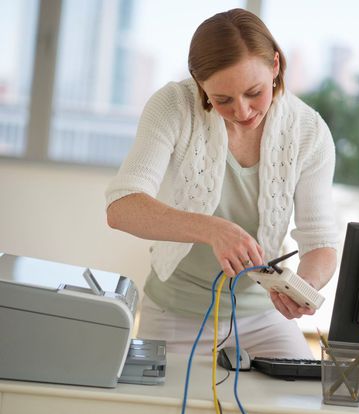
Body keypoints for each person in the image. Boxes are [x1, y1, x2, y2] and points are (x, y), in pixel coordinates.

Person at [105, 8, 338, 359]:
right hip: (176, 311)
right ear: (200, 84)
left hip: (263, 316)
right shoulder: (173, 106)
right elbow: (122, 207)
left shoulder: (309, 131)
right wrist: (212, 229)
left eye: (254, 92)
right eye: (223, 99)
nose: (242, 111)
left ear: (275, 66)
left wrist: (303, 287)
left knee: (299, 405)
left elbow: (320, 241)